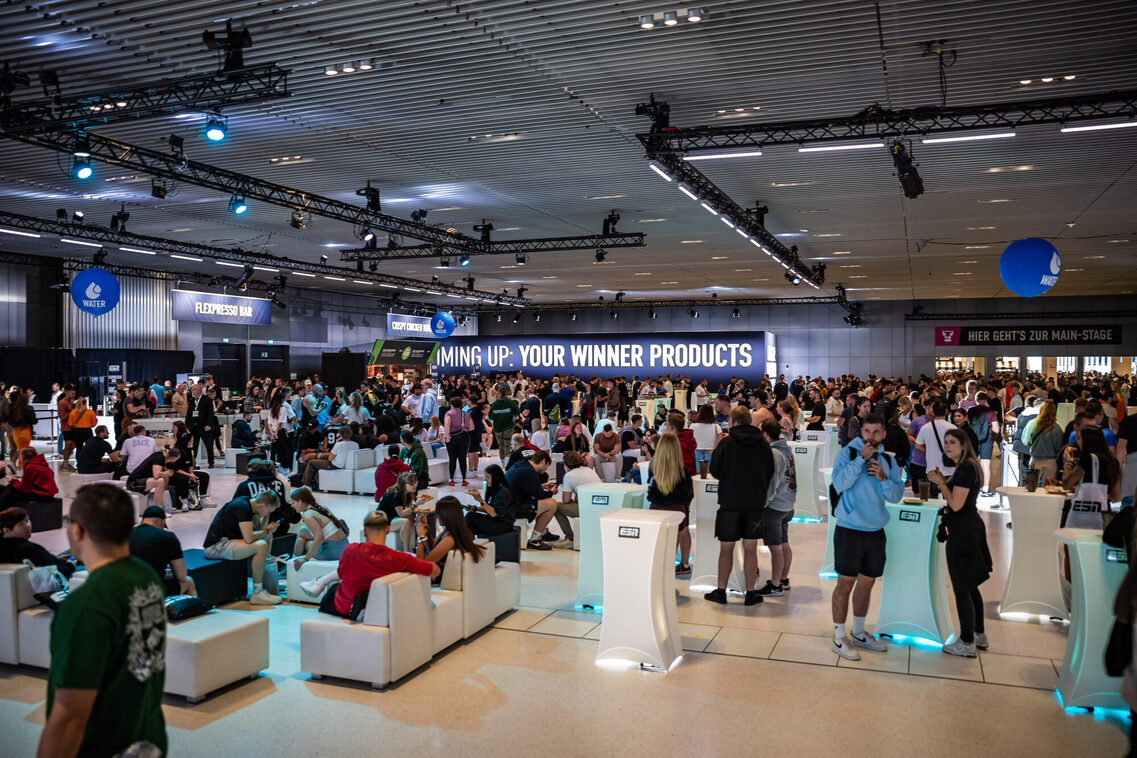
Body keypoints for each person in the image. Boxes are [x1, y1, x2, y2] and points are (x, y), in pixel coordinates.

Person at [37, 483, 167, 758]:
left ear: (78, 530)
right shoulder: (147, 576)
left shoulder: (86, 604)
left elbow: (70, 714)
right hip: (147, 737)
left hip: (103, 746)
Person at [830, 413, 904, 661]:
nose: (870, 437)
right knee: (845, 583)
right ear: (860, 432)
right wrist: (860, 461)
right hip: (849, 529)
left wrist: (882, 478)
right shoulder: (848, 454)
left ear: (883, 434)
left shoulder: (888, 461)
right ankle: (839, 637)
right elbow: (839, 483)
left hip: (875, 532)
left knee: (867, 582)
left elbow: (895, 496)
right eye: (866, 432)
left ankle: (859, 632)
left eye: (876, 432)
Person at [927, 429, 993, 657]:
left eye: (952, 442)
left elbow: (956, 503)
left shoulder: (965, 468)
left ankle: (966, 643)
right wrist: (945, 481)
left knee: (962, 587)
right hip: (968, 526)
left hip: (963, 529)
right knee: (970, 583)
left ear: (963, 445)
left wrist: (940, 484)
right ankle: (978, 634)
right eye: (945, 442)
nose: (947, 446)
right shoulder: (967, 467)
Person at [705, 406, 775, 606]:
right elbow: (770, 470)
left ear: (734, 422)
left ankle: (721, 591)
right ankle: (750, 593)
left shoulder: (726, 442)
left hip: (730, 501)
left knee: (726, 548)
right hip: (755, 502)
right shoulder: (762, 443)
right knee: (751, 548)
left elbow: (715, 471)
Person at [312, 510, 438, 620]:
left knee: (333, 589)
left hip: (346, 608)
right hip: (378, 605)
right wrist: (422, 537)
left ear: (365, 532)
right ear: (387, 530)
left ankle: (318, 582)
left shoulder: (350, 550)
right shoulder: (399, 558)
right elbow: (435, 570)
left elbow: (341, 573)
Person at [202, 491, 284, 604]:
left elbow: (261, 528)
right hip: (215, 547)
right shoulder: (242, 507)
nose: (267, 514)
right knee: (261, 545)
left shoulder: (251, 505)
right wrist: (268, 530)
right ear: (262, 505)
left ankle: (267, 583)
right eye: (269, 511)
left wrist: (267, 523)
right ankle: (257, 592)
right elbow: (249, 538)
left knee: (267, 537)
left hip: (229, 542)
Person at [755, 419, 795, 596]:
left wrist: (763, 503)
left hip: (775, 506)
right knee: (784, 542)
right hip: (788, 503)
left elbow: (773, 482)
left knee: (775, 546)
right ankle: (783, 579)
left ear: (765, 434)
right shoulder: (786, 449)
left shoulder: (774, 453)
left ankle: (775, 585)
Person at [645, 433, 694, 573]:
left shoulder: (653, 467)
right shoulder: (682, 471)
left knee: (659, 550)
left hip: (656, 511)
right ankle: (669, 585)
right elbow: (685, 494)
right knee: (670, 551)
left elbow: (650, 493)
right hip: (677, 512)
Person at [130, 505, 196, 596]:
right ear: (163, 523)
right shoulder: (167, 537)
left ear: (141, 522)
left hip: (125, 589)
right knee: (189, 582)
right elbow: (181, 576)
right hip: (151, 591)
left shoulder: (126, 535)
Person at [414, 495, 487, 577]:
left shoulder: (450, 540)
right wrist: (426, 531)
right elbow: (432, 548)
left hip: (439, 576)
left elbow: (421, 566)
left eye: (438, 513)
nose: (437, 516)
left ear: (446, 515)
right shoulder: (453, 530)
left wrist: (420, 538)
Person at [505, 450, 561, 550]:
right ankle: (535, 539)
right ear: (543, 461)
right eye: (547, 465)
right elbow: (539, 495)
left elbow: (525, 486)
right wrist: (552, 492)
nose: (546, 469)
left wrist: (542, 485)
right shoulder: (529, 471)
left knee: (543, 503)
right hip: (514, 508)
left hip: (509, 503)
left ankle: (542, 532)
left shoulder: (522, 465)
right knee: (552, 504)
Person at [0, 506, 76, 578]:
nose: (28, 525)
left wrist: (57, 559)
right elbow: (60, 572)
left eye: (27, 521)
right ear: (7, 530)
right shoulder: (28, 549)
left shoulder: (5, 549)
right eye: (21, 524)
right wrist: (71, 564)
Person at [290, 487, 349, 570]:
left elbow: (319, 537)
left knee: (306, 543)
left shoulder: (307, 515)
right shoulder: (321, 508)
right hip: (343, 546)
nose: (292, 506)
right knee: (302, 530)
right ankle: (292, 562)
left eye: (293, 503)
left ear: (300, 501)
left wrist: (305, 559)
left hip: (333, 552)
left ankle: (291, 565)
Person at [556, 451, 601, 548]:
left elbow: (565, 501)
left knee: (556, 507)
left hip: (587, 509)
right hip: (599, 507)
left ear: (566, 464)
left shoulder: (569, 476)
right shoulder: (589, 470)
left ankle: (570, 538)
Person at [377, 471, 431, 550]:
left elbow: (410, 509)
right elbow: (401, 514)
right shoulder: (395, 493)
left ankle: (422, 547)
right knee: (406, 522)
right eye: (411, 483)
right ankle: (406, 550)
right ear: (403, 484)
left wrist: (420, 513)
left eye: (416, 482)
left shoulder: (408, 493)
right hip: (382, 520)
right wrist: (416, 504)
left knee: (419, 519)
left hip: (393, 518)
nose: (415, 485)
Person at [914, 400, 956, 495]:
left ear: (933, 411)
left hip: (932, 469)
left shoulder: (925, 427)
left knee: (933, 499)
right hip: (949, 469)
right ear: (946, 411)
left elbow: (917, 445)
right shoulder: (953, 428)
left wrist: (929, 449)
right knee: (949, 498)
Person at [466, 464, 519, 537]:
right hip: (496, 521)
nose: (485, 480)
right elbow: (490, 508)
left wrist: (481, 501)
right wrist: (475, 508)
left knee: (470, 516)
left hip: (503, 524)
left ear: (495, 478)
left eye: (488, 477)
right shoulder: (495, 489)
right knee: (470, 529)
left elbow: (495, 514)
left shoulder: (504, 493)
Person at [303, 425, 359, 489]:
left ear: (340, 434)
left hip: (335, 465)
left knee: (311, 463)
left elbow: (330, 458)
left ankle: (306, 484)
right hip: (346, 464)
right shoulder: (355, 444)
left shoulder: (338, 444)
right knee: (320, 459)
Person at [125, 445, 177, 511]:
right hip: (134, 483)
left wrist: (166, 474)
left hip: (142, 480)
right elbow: (156, 475)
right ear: (174, 458)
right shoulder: (159, 457)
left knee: (164, 478)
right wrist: (166, 473)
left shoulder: (163, 458)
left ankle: (165, 507)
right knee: (160, 481)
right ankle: (158, 509)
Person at [1023, 400, 1065, 480]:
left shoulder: (1032, 423)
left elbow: (1025, 441)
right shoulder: (1057, 428)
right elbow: (1059, 446)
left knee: (1032, 485)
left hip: (1035, 459)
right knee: (1048, 486)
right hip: (1051, 461)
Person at [444, 396, 475, 486]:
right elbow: (472, 427)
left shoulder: (449, 414)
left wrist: (447, 437)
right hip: (464, 437)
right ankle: (464, 480)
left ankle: (451, 480)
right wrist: (464, 429)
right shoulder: (466, 414)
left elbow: (447, 425)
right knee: (462, 459)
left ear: (452, 404)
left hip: (452, 438)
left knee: (452, 459)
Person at [185, 382, 217, 468]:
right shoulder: (191, 401)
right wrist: (187, 426)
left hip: (204, 427)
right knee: (194, 446)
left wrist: (208, 425)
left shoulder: (207, 400)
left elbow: (210, 414)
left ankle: (211, 462)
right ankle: (193, 462)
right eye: (192, 390)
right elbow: (188, 414)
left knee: (208, 445)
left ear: (199, 390)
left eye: (195, 390)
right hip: (194, 427)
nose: (193, 391)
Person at [489, 384, 520, 462]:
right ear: (506, 393)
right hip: (508, 427)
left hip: (497, 428)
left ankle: (503, 461)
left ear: (498, 393)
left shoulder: (494, 404)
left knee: (501, 446)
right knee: (507, 445)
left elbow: (491, 417)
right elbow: (518, 412)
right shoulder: (511, 402)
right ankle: (507, 461)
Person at [690, 404, 719, 477]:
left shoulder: (693, 426)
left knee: (696, 477)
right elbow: (719, 442)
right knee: (710, 476)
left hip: (696, 452)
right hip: (711, 452)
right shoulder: (716, 427)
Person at [57, 385, 77, 472]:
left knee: (73, 445)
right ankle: (65, 463)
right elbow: (62, 417)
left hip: (72, 426)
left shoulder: (71, 401)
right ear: (67, 392)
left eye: (74, 394)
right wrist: (72, 412)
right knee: (68, 444)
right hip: (66, 427)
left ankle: (65, 462)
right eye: (72, 393)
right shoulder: (62, 402)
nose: (74, 395)